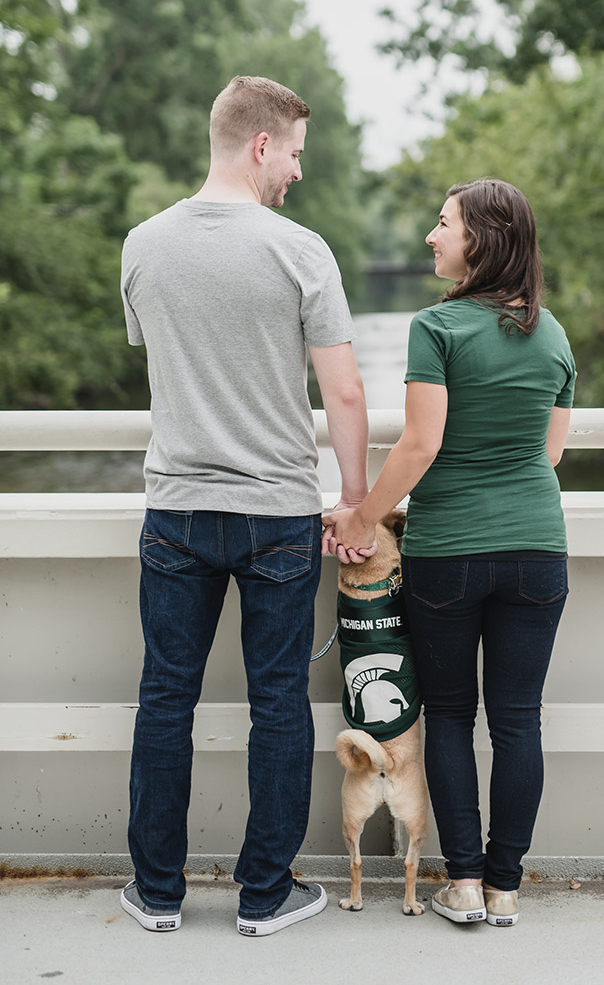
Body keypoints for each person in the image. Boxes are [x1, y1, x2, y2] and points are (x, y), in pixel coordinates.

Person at [119, 75, 373, 937]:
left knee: (165, 698)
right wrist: (357, 503)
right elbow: (342, 393)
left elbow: (169, 365)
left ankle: (156, 894)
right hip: (278, 515)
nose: (298, 171)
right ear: (261, 143)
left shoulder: (143, 244)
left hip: (178, 509)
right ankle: (264, 896)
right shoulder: (301, 251)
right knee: (277, 701)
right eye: (295, 152)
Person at [322, 178, 575, 928]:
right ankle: (504, 890)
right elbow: (549, 454)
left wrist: (364, 518)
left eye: (443, 224)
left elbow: (422, 443)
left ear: (481, 240)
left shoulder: (437, 328)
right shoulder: (552, 331)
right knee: (519, 720)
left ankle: (461, 883)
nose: (431, 237)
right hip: (536, 548)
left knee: (454, 717)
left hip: (448, 554)